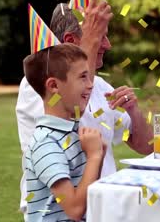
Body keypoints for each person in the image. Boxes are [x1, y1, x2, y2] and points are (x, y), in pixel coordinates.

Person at [16, 0, 154, 216]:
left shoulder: (99, 85)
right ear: (71, 41)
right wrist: (90, 40)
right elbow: (73, 116)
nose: (107, 45)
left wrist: (134, 112)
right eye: (101, 37)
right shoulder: (37, 86)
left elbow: (146, 146)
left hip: (104, 208)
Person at [23, 43, 104, 221]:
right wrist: (94, 156)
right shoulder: (46, 143)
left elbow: (88, 194)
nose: (90, 85)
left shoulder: (72, 132)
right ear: (53, 86)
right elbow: (75, 210)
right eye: (83, 77)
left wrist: (99, 154)